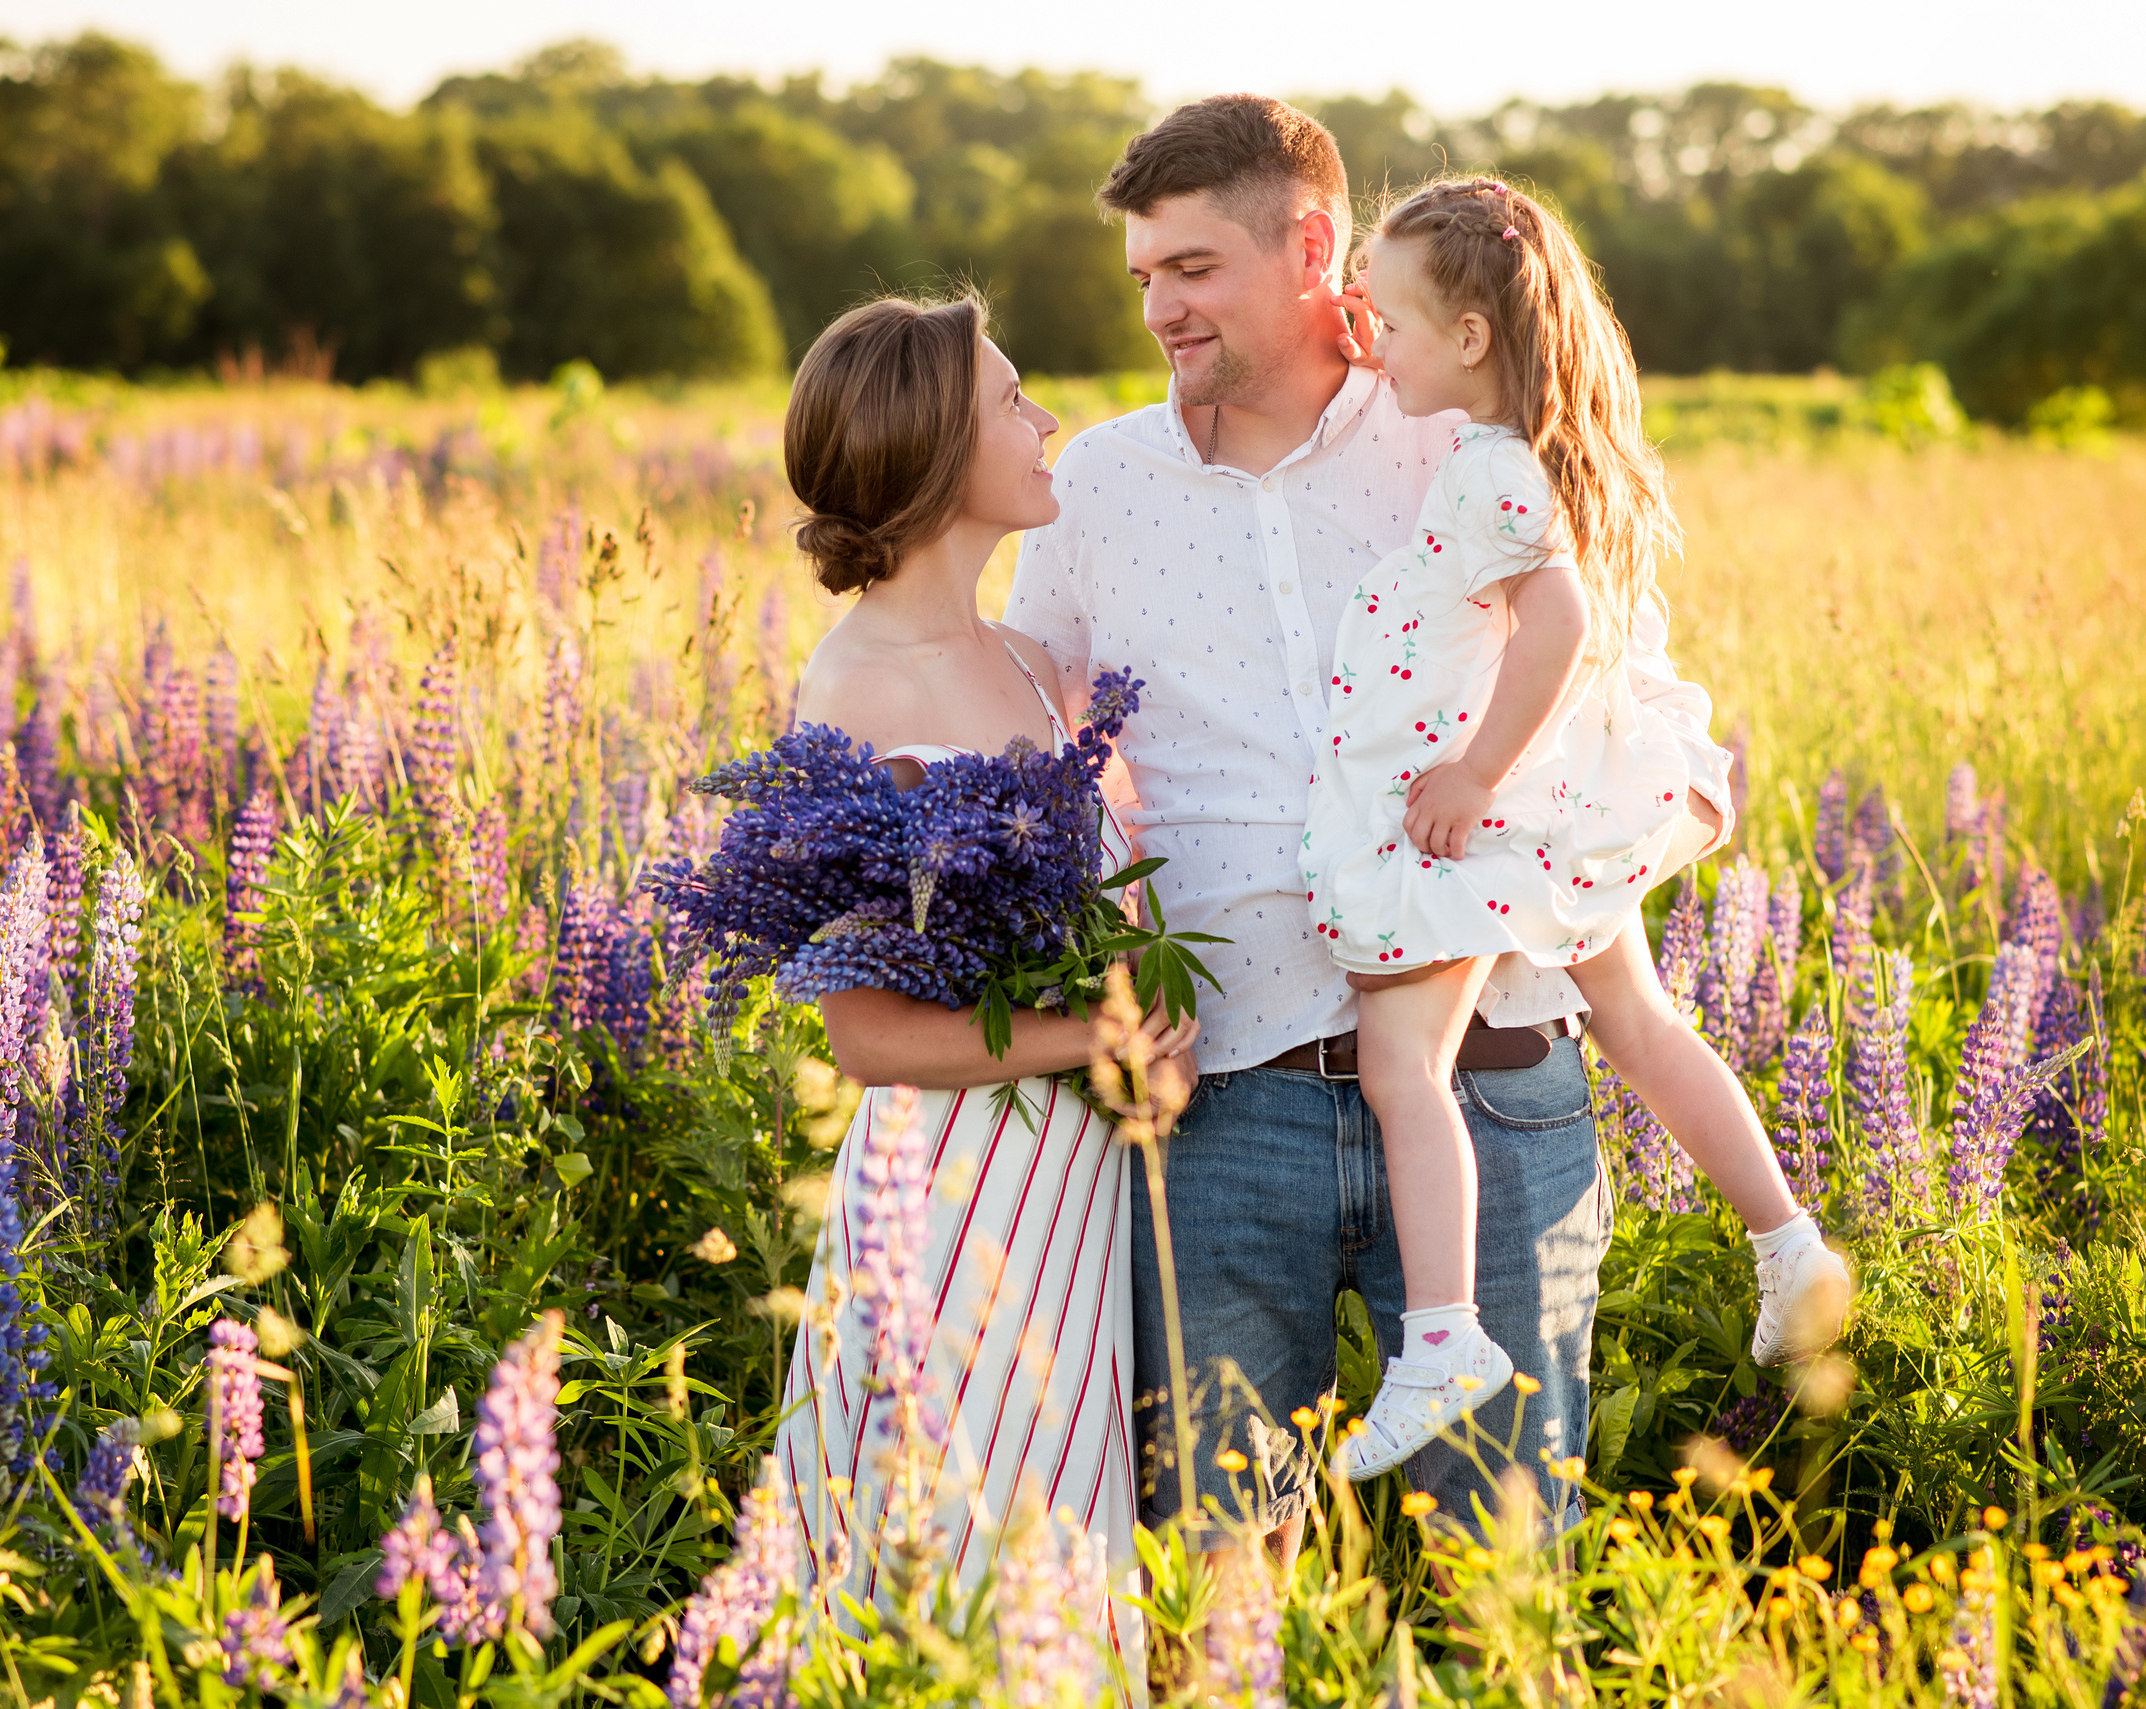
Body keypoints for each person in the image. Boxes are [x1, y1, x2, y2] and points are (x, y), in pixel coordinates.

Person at [1008, 94, 1717, 1543]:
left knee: (1504, 1581)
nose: (1160, 307)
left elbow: (1625, 689)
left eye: (1193, 268)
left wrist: (1589, 886)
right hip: (1224, 1108)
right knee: (1220, 1579)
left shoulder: (1453, 429)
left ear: (1312, 245)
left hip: (1494, 1079)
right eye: (1144, 275)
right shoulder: (1097, 486)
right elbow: (1047, 757)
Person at [1302, 179, 1852, 1478]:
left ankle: (1441, 1338)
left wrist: (1475, 773)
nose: (1371, 341)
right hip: (1575, 799)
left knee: (1401, 1065)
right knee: (1644, 1025)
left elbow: (1551, 626)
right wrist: (1357, 304)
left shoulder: (1492, 473)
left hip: (1502, 815)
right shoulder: (1553, 453)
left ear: (1476, 340)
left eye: (1392, 323)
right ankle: (1786, 1241)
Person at [768, 293, 1196, 1683]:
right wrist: (1091, 1031)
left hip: (1073, 1192)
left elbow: (1104, 909)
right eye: (1013, 401)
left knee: (1051, 1571)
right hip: (947, 1205)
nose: (1045, 420)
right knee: (939, 1569)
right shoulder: (851, 694)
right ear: (942, 447)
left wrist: (1145, 1018)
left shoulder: (1029, 662)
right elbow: (865, 1029)